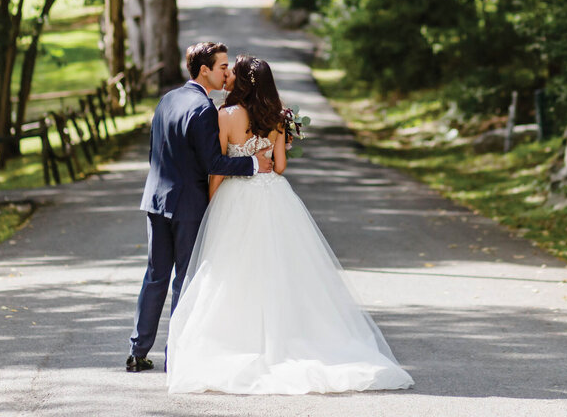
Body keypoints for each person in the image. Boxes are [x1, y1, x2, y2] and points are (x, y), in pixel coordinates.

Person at [165, 55, 414, 394]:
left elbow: (219, 167)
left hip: (237, 197)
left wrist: (211, 204)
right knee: (279, 268)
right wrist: (269, 152)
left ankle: (236, 338)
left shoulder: (226, 115)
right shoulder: (279, 118)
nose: (229, 78)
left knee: (232, 270)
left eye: (233, 73)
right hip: (273, 196)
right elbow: (279, 166)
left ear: (242, 82)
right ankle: (288, 337)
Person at [127, 42, 274, 373]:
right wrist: (253, 163)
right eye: (222, 66)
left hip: (155, 198)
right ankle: (176, 352)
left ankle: (138, 351)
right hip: (187, 204)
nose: (227, 73)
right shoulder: (205, 109)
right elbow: (213, 162)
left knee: (155, 274)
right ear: (204, 70)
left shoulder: (167, 99)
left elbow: (156, 151)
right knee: (185, 277)